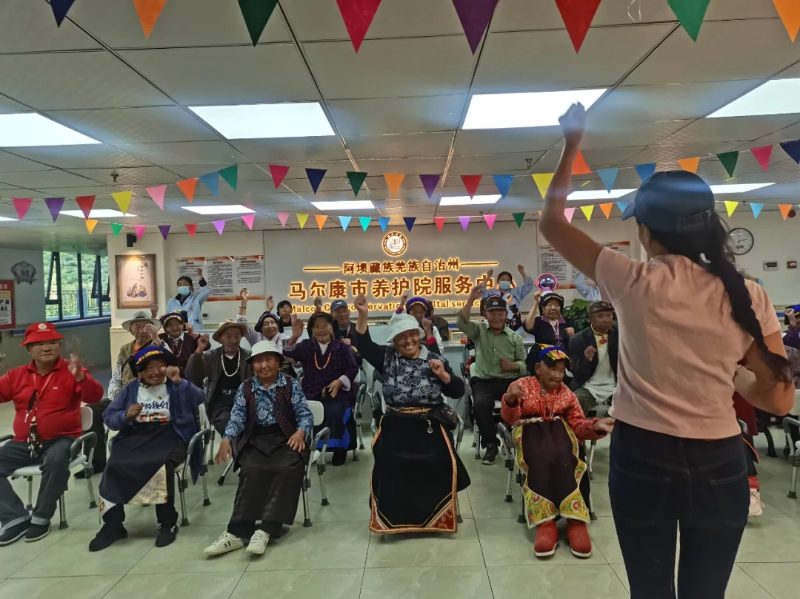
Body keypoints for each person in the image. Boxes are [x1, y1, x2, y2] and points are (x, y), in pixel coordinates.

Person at [538, 103, 794, 597]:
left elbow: (551, 221)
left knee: (650, 590)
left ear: (646, 231)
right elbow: (779, 399)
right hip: (720, 460)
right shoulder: (749, 294)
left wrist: (571, 144)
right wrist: (727, 372)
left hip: (643, 457)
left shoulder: (631, 279)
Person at [351, 295, 470, 533]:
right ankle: (394, 519)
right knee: (389, 461)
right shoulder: (386, 357)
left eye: (412, 335)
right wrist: (363, 314)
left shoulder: (434, 358)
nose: (408, 341)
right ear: (394, 341)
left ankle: (436, 516)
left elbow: (457, 390)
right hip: (396, 424)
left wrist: (444, 375)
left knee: (439, 460)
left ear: (419, 335)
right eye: (401, 337)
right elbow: (362, 343)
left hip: (430, 424)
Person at [501, 345, 614, 558]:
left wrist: (595, 426)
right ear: (538, 368)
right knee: (540, 457)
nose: (558, 375)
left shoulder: (567, 393)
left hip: (560, 433)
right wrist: (509, 399)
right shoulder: (520, 385)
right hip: (529, 432)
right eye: (553, 369)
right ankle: (546, 522)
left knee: (566, 456)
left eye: (561, 370)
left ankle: (575, 521)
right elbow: (509, 418)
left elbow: (578, 424)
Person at [89, 347, 205, 551]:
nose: (156, 372)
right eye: (149, 368)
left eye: (160, 366)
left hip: (171, 433)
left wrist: (181, 381)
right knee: (114, 465)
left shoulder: (175, 385)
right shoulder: (131, 389)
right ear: (140, 372)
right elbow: (109, 416)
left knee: (161, 465)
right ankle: (113, 525)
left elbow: (200, 398)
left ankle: (167, 523)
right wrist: (125, 415)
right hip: (136, 435)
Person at [204, 341, 312, 557]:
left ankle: (266, 530)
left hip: (287, 437)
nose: (264, 365)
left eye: (268, 360)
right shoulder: (246, 387)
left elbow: (304, 413)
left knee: (286, 469)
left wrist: (300, 432)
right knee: (252, 470)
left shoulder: (290, 384)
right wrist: (227, 438)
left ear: (278, 362)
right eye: (258, 361)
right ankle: (236, 532)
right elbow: (237, 416)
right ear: (252, 365)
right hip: (256, 439)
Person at [0, 323, 103, 545]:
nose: (47, 348)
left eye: (52, 343)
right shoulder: (16, 375)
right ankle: (14, 518)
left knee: (55, 461)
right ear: (29, 349)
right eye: (39, 344)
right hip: (24, 442)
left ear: (59, 346)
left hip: (62, 439)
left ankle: (41, 517)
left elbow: (95, 397)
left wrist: (81, 378)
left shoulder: (72, 371)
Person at [81, 310, 164, 481]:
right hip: (123, 396)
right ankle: (95, 462)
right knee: (92, 410)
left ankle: (139, 462)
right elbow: (116, 376)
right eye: (137, 326)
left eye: (145, 326)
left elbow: (170, 364)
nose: (141, 330)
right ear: (131, 330)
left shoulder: (158, 346)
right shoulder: (125, 349)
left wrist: (156, 339)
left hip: (149, 397)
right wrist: (115, 394)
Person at [457, 288, 526, 465]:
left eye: (500, 313)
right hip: (484, 381)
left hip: (508, 381)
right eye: (492, 313)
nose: (496, 317)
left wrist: (514, 366)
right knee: (480, 405)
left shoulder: (514, 338)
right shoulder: (479, 331)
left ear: (506, 315)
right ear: (486, 315)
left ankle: (513, 438)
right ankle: (491, 444)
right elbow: (462, 323)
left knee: (522, 402)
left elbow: (524, 365)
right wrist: (471, 299)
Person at [284, 311, 358, 466]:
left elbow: (352, 369)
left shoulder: (342, 347)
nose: (321, 329)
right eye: (317, 326)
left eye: (325, 325)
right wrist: (295, 336)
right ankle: (307, 448)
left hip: (336, 392)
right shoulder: (306, 346)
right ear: (312, 330)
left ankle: (340, 448)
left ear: (332, 327)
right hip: (311, 391)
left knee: (335, 410)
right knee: (302, 412)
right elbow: (287, 353)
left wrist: (340, 381)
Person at [186, 320, 252, 436]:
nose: (233, 340)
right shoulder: (211, 356)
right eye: (228, 337)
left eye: (237, 336)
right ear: (220, 339)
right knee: (227, 424)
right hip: (220, 402)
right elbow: (193, 374)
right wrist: (199, 350)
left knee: (251, 424)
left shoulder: (249, 356)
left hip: (245, 399)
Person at [568, 301, 618, 415]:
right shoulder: (578, 340)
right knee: (576, 401)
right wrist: (586, 359)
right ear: (590, 318)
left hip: (617, 384)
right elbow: (577, 373)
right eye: (600, 316)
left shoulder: (620, 332)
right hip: (590, 386)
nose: (606, 320)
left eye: (609, 315)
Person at [158, 310, 200, 375]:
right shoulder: (161, 338)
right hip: (169, 375)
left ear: (183, 325)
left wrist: (192, 333)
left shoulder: (190, 336)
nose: (175, 328)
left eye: (178, 324)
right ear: (165, 328)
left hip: (190, 375)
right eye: (170, 325)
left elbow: (206, 346)